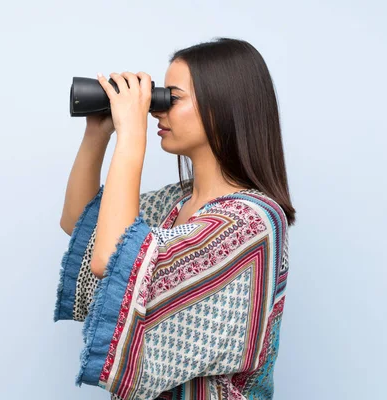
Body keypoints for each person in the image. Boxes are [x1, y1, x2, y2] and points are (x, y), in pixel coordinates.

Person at [55, 37, 296, 400]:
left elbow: (112, 258)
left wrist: (132, 136)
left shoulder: (253, 222)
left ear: (221, 107)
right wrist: (99, 132)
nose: (156, 110)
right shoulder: (176, 201)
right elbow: (80, 224)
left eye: (173, 97)